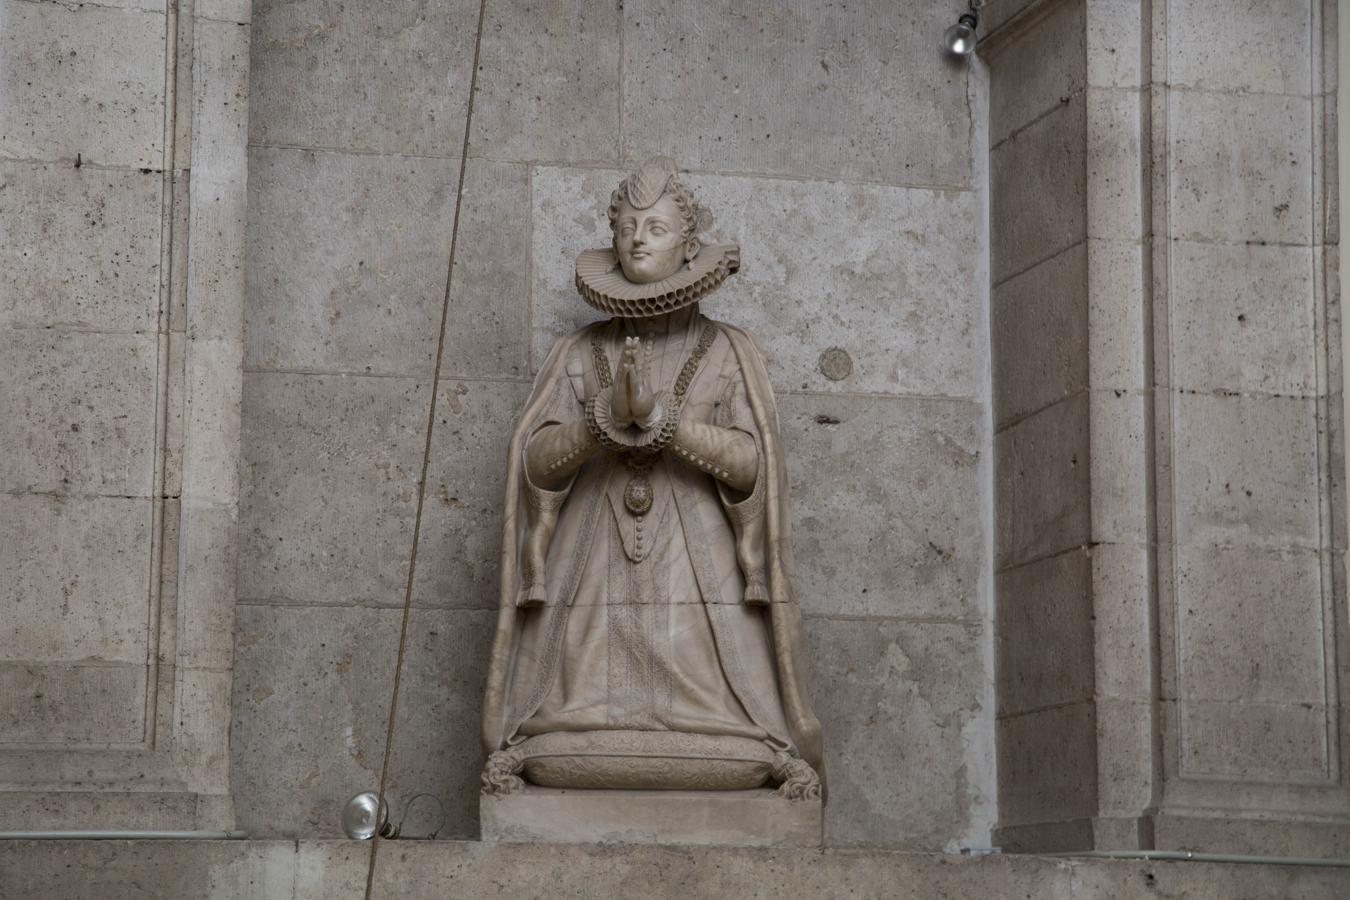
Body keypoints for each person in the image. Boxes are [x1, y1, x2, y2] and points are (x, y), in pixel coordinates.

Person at [480, 157, 822, 799]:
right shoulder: (581, 351)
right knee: (565, 728)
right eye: (628, 226)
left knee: (728, 730)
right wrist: (598, 426)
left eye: (657, 228)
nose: (637, 238)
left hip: (698, 571)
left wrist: (668, 424)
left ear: (689, 247)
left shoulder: (728, 350)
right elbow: (532, 463)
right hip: (593, 565)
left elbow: (755, 467)